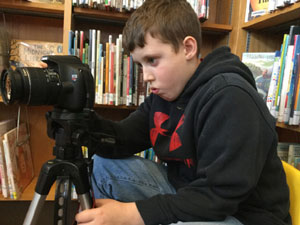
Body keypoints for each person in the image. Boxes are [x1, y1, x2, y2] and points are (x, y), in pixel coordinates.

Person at [75, 0, 291, 224]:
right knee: (105, 164)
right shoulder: (164, 95)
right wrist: (76, 114)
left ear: (188, 48)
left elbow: (218, 196)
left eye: (152, 60)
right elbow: (119, 139)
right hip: (190, 194)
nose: (146, 76)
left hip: (241, 215)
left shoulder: (231, 97)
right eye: (140, 65)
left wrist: (131, 214)